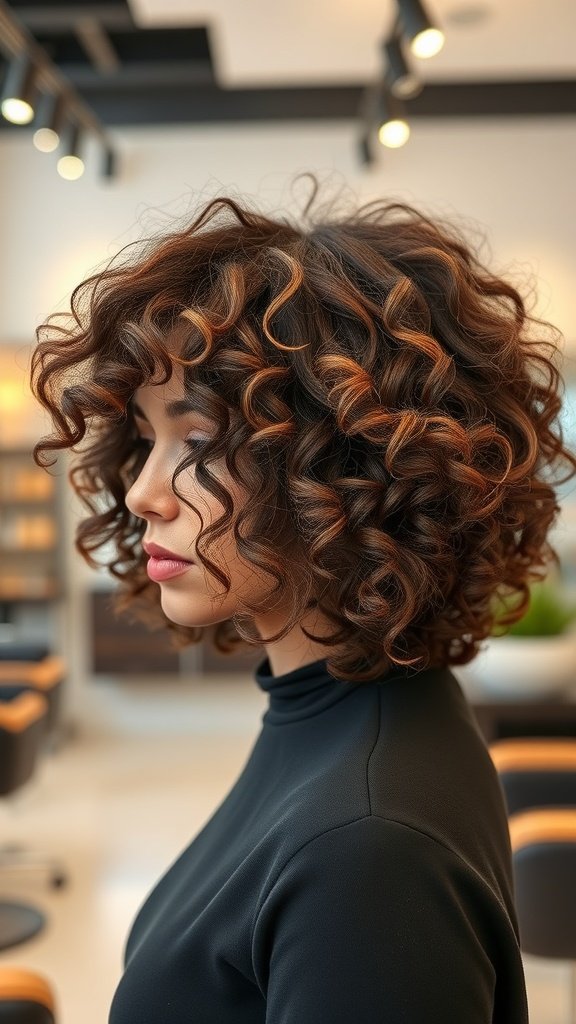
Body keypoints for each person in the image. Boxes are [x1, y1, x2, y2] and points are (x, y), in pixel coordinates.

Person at [31, 178, 576, 1022]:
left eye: (199, 438)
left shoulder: (370, 852)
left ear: (345, 465)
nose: (142, 492)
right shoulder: (354, 708)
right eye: (146, 437)